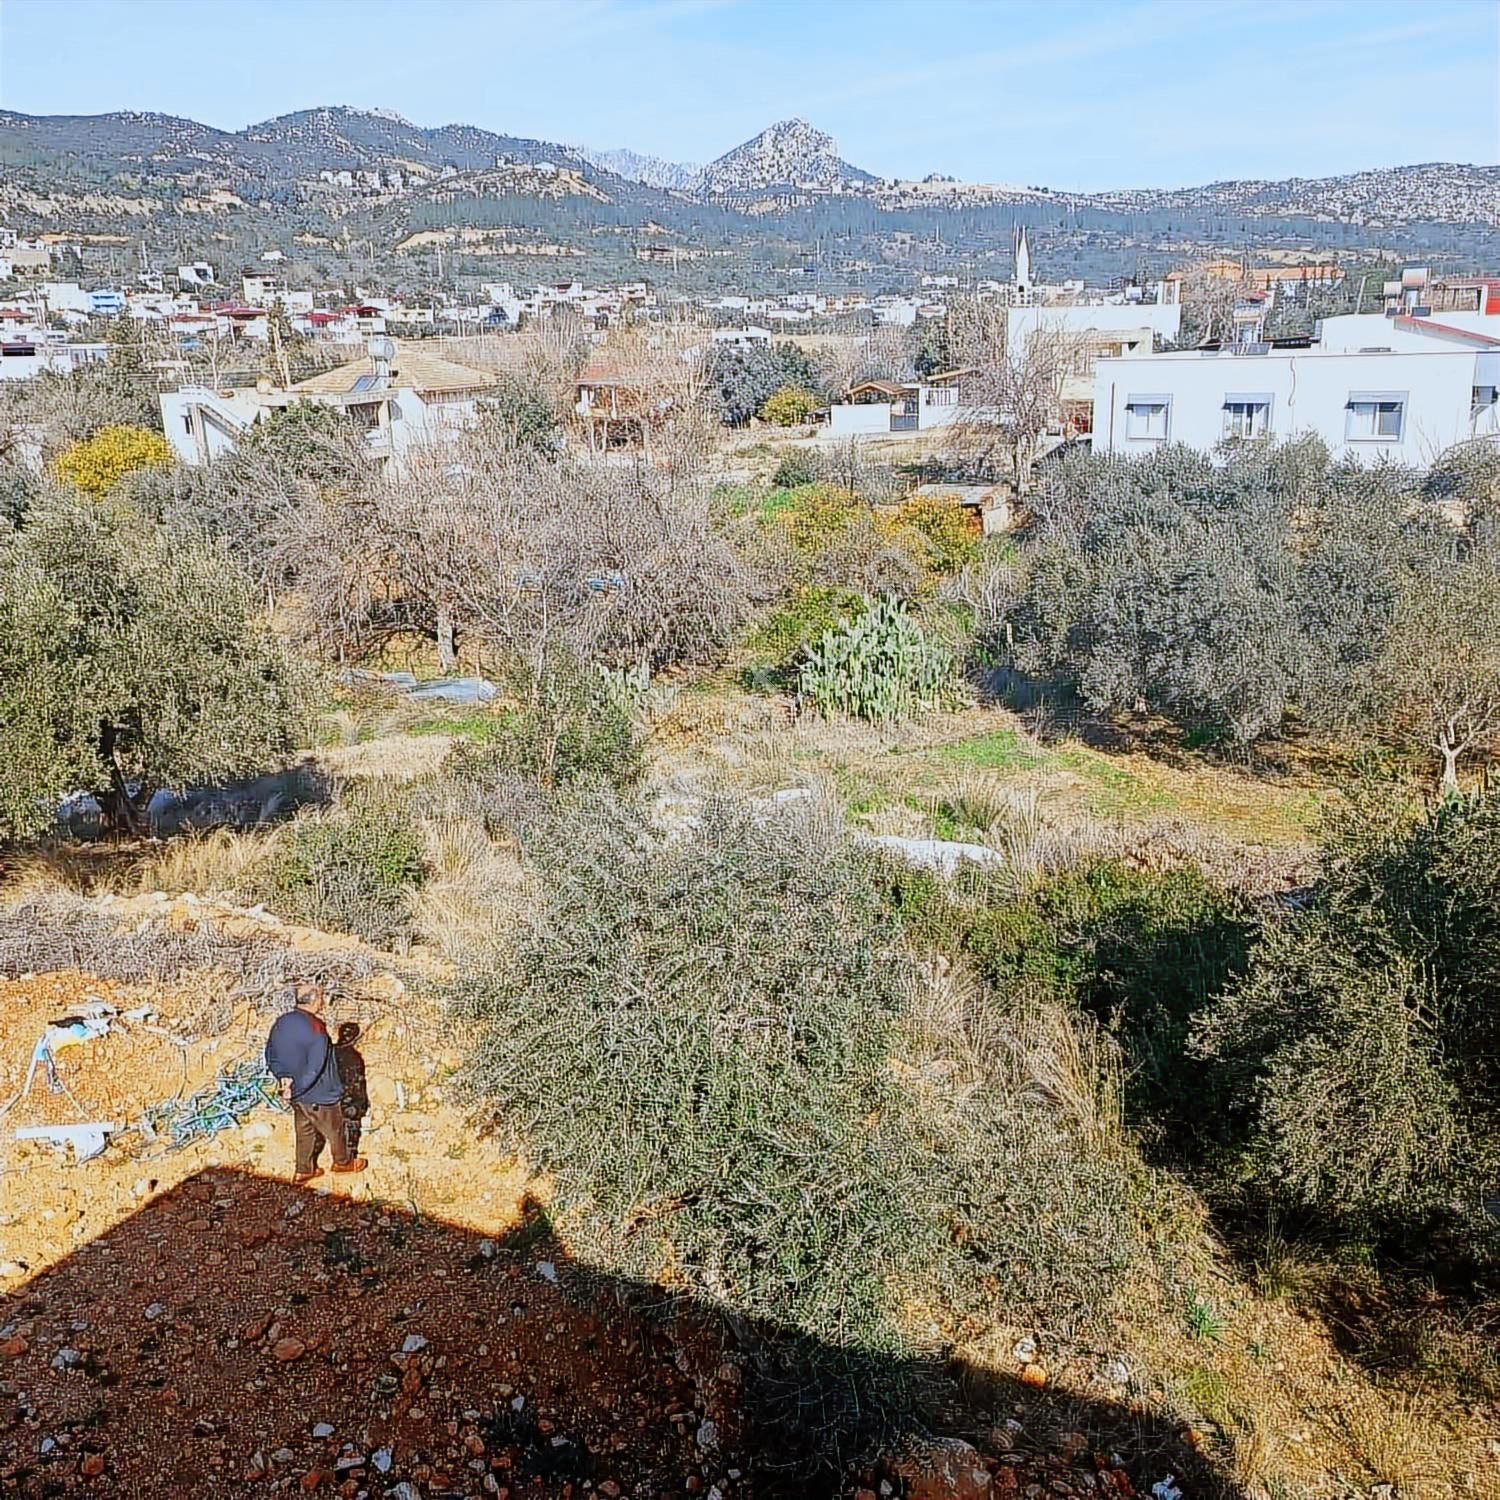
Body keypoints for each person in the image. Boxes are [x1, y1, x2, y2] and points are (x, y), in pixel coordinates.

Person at [265, 982, 367, 1183]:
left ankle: (304, 1169)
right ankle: (343, 1162)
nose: (323, 1001)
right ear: (313, 1001)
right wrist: (296, 1089)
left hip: (295, 1090)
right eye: (321, 997)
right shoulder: (316, 1028)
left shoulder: (282, 1022)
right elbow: (316, 1066)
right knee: (335, 1128)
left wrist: (283, 1078)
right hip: (319, 1093)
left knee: (304, 1129)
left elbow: (270, 1053)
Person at [334, 1021, 369, 1158]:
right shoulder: (354, 1057)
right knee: (351, 1126)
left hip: (326, 1098)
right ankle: (348, 1158)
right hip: (347, 1099)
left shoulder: (329, 1052)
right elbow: (356, 1083)